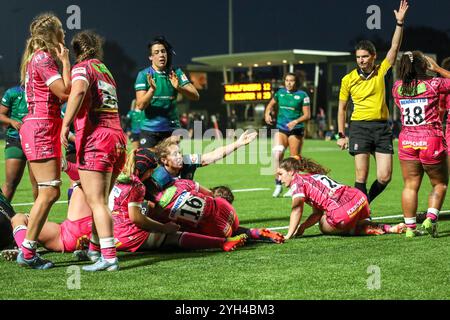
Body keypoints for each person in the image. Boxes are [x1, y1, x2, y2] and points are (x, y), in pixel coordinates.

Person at [61, 31, 127, 272]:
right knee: (102, 201)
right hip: (117, 138)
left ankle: (109, 257)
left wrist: (66, 124)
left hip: (96, 139)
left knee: (97, 202)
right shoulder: (105, 71)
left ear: (77, 50)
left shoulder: (83, 67)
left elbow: (77, 92)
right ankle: (94, 248)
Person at [337, 0, 409, 204]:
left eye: (365, 56)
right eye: (358, 56)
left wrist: (399, 24)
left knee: (385, 176)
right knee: (361, 176)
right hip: (359, 127)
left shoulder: (382, 71)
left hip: (381, 128)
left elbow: (395, 46)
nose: (361, 60)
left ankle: (363, 203)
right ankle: (360, 214)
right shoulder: (348, 79)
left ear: (374, 56)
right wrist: (341, 134)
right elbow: (342, 109)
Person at [16, 13, 71, 269]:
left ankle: (27, 245)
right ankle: (27, 251)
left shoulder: (35, 58)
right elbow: (64, 92)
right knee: (49, 191)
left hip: (41, 126)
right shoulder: (43, 58)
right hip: (41, 127)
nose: (65, 33)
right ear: (52, 34)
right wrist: (66, 61)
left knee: (47, 191)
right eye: (61, 29)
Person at [392, 53, 450, 237]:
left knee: (410, 185)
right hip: (430, 139)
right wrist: (438, 69)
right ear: (424, 66)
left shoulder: (397, 87)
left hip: (407, 141)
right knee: (439, 183)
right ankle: (431, 218)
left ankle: (410, 229)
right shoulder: (434, 85)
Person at [276, 157, 405, 239]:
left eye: (281, 174)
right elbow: (317, 213)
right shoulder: (311, 176)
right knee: (334, 218)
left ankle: (360, 230)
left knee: (323, 225)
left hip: (343, 210)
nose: (279, 179)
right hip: (359, 199)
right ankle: (389, 228)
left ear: (291, 172)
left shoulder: (297, 182)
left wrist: (289, 234)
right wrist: (303, 226)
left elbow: (297, 209)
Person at [147, 177, 284, 243]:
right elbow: (208, 194)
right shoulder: (181, 183)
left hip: (217, 231)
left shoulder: (153, 208)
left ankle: (224, 242)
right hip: (226, 210)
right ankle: (254, 232)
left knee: (175, 233)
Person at [135, 36, 199, 149]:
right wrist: (152, 90)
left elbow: (195, 96)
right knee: (148, 165)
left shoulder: (176, 73)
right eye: (157, 52)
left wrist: (179, 87)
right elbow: (140, 105)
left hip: (172, 129)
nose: (161, 55)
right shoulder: (144, 75)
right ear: (151, 57)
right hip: (149, 130)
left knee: (171, 165)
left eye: (163, 51)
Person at [1, 184, 93, 262]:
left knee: (20, 218)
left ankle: (24, 250)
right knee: (20, 217)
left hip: (69, 234)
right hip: (78, 231)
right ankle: (24, 249)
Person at [265, 73, 311, 198]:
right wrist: (267, 114)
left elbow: (307, 115)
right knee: (277, 154)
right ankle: (278, 184)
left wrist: (296, 121)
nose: (289, 83)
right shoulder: (280, 93)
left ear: (296, 82)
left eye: (291, 81)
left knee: (293, 159)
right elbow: (270, 105)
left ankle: (294, 186)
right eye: (287, 80)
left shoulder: (303, 95)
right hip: (281, 129)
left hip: (296, 130)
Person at [0, 86, 38, 201]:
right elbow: (1, 115)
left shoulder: (43, 90)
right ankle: (3, 214)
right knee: (10, 183)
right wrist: (11, 121)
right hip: (15, 139)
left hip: (37, 141)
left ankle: (39, 218)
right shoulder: (13, 92)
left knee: (38, 185)